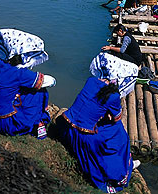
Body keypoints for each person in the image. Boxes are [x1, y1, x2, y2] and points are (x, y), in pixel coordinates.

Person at [58, 54, 140, 193]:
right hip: (83, 136)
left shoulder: (91, 81)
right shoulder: (113, 96)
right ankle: (122, 168)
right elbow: (116, 117)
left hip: (66, 126)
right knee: (120, 133)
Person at [0, 28, 56, 139]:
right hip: (4, 122)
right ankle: (40, 123)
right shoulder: (19, 73)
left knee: (23, 88)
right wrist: (51, 81)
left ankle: (37, 120)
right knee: (40, 92)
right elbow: (49, 81)